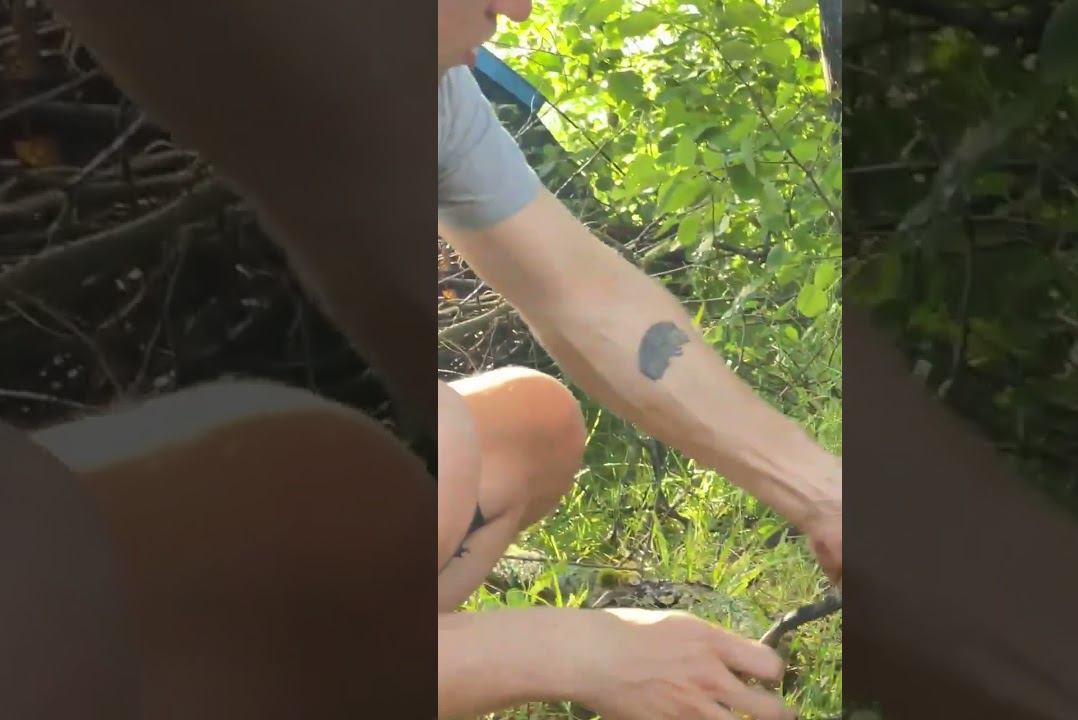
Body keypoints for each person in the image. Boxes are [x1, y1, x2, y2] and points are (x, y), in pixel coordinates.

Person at [10, 1, 837, 719]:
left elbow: (584, 294)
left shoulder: (414, 81)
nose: (519, 8)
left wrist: (822, 495)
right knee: (368, 454)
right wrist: (565, 651)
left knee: (526, 428)